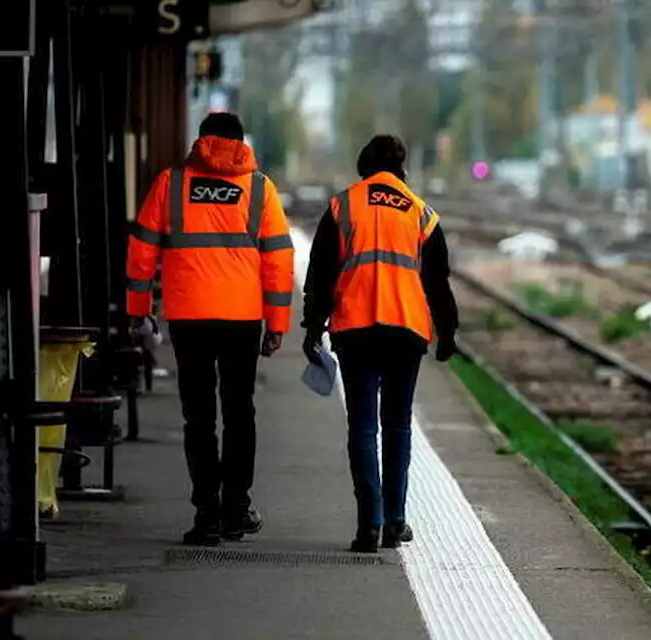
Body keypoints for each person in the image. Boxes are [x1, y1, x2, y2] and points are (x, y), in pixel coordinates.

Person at [126, 113, 295, 546]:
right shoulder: (259, 188)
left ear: (201, 141)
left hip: (188, 316)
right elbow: (278, 259)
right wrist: (276, 323)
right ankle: (236, 510)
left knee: (198, 415)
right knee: (239, 412)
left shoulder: (172, 183)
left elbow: (142, 250)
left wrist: (139, 309)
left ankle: (207, 513)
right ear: (241, 143)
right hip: (241, 318)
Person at [301, 135, 459, 553]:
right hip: (405, 330)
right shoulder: (422, 214)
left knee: (363, 427)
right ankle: (395, 521)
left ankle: (368, 524)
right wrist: (449, 332)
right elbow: (438, 282)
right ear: (401, 169)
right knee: (398, 425)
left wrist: (312, 325)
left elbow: (320, 272)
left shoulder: (344, 206)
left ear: (364, 166)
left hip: (355, 328)